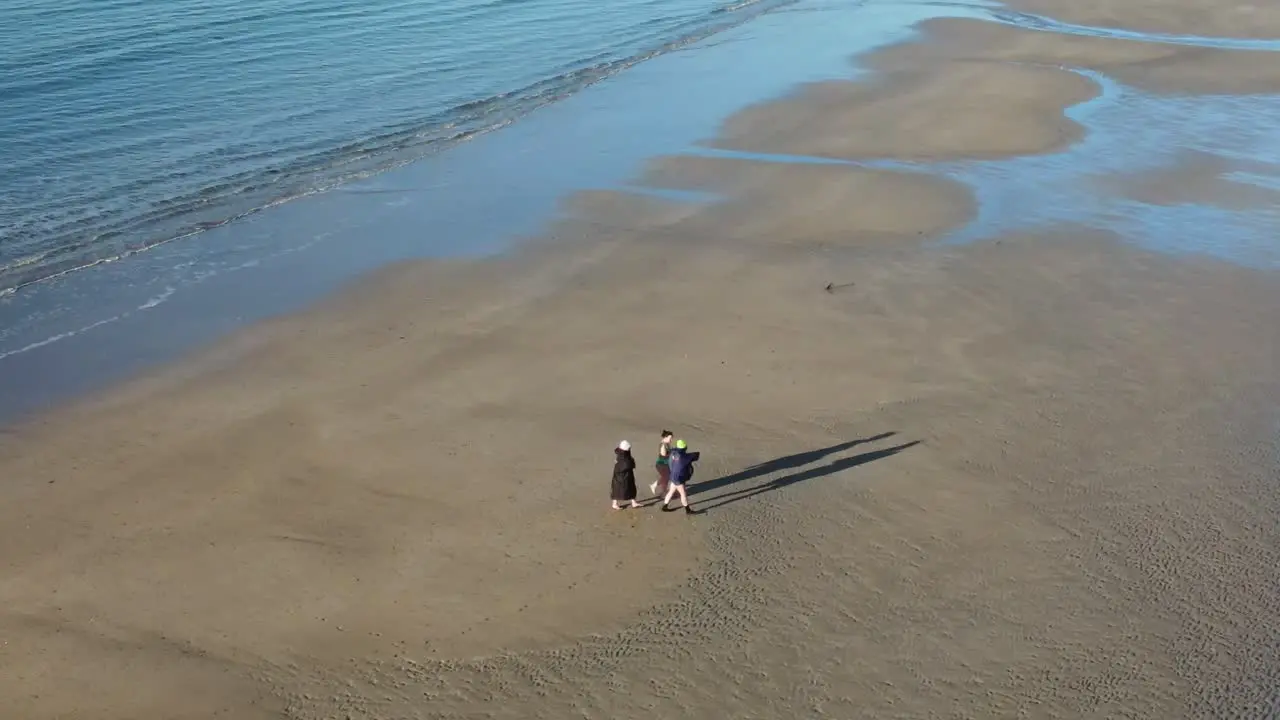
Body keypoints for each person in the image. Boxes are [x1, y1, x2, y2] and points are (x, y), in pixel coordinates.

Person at [659, 439, 699, 514]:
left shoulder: (673, 453)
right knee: (683, 494)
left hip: (673, 476)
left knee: (671, 491)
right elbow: (696, 455)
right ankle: (688, 510)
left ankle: (665, 506)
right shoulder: (685, 457)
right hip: (679, 479)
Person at [611, 440, 640, 510]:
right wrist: (632, 463)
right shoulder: (623, 456)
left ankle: (633, 502)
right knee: (618, 489)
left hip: (625, 475)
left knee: (630, 488)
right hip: (622, 476)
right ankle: (614, 504)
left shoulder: (622, 454)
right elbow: (626, 465)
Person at [651, 430, 674, 497]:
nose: (671, 440)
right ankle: (664, 492)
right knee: (666, 477)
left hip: (665, 464)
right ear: (665, 437)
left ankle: (654, 486)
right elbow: (664, 455)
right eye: (670, 438)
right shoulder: (663, 445)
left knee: (666, 477)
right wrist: (672, 454)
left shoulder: (666, 444)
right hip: (661, 465)